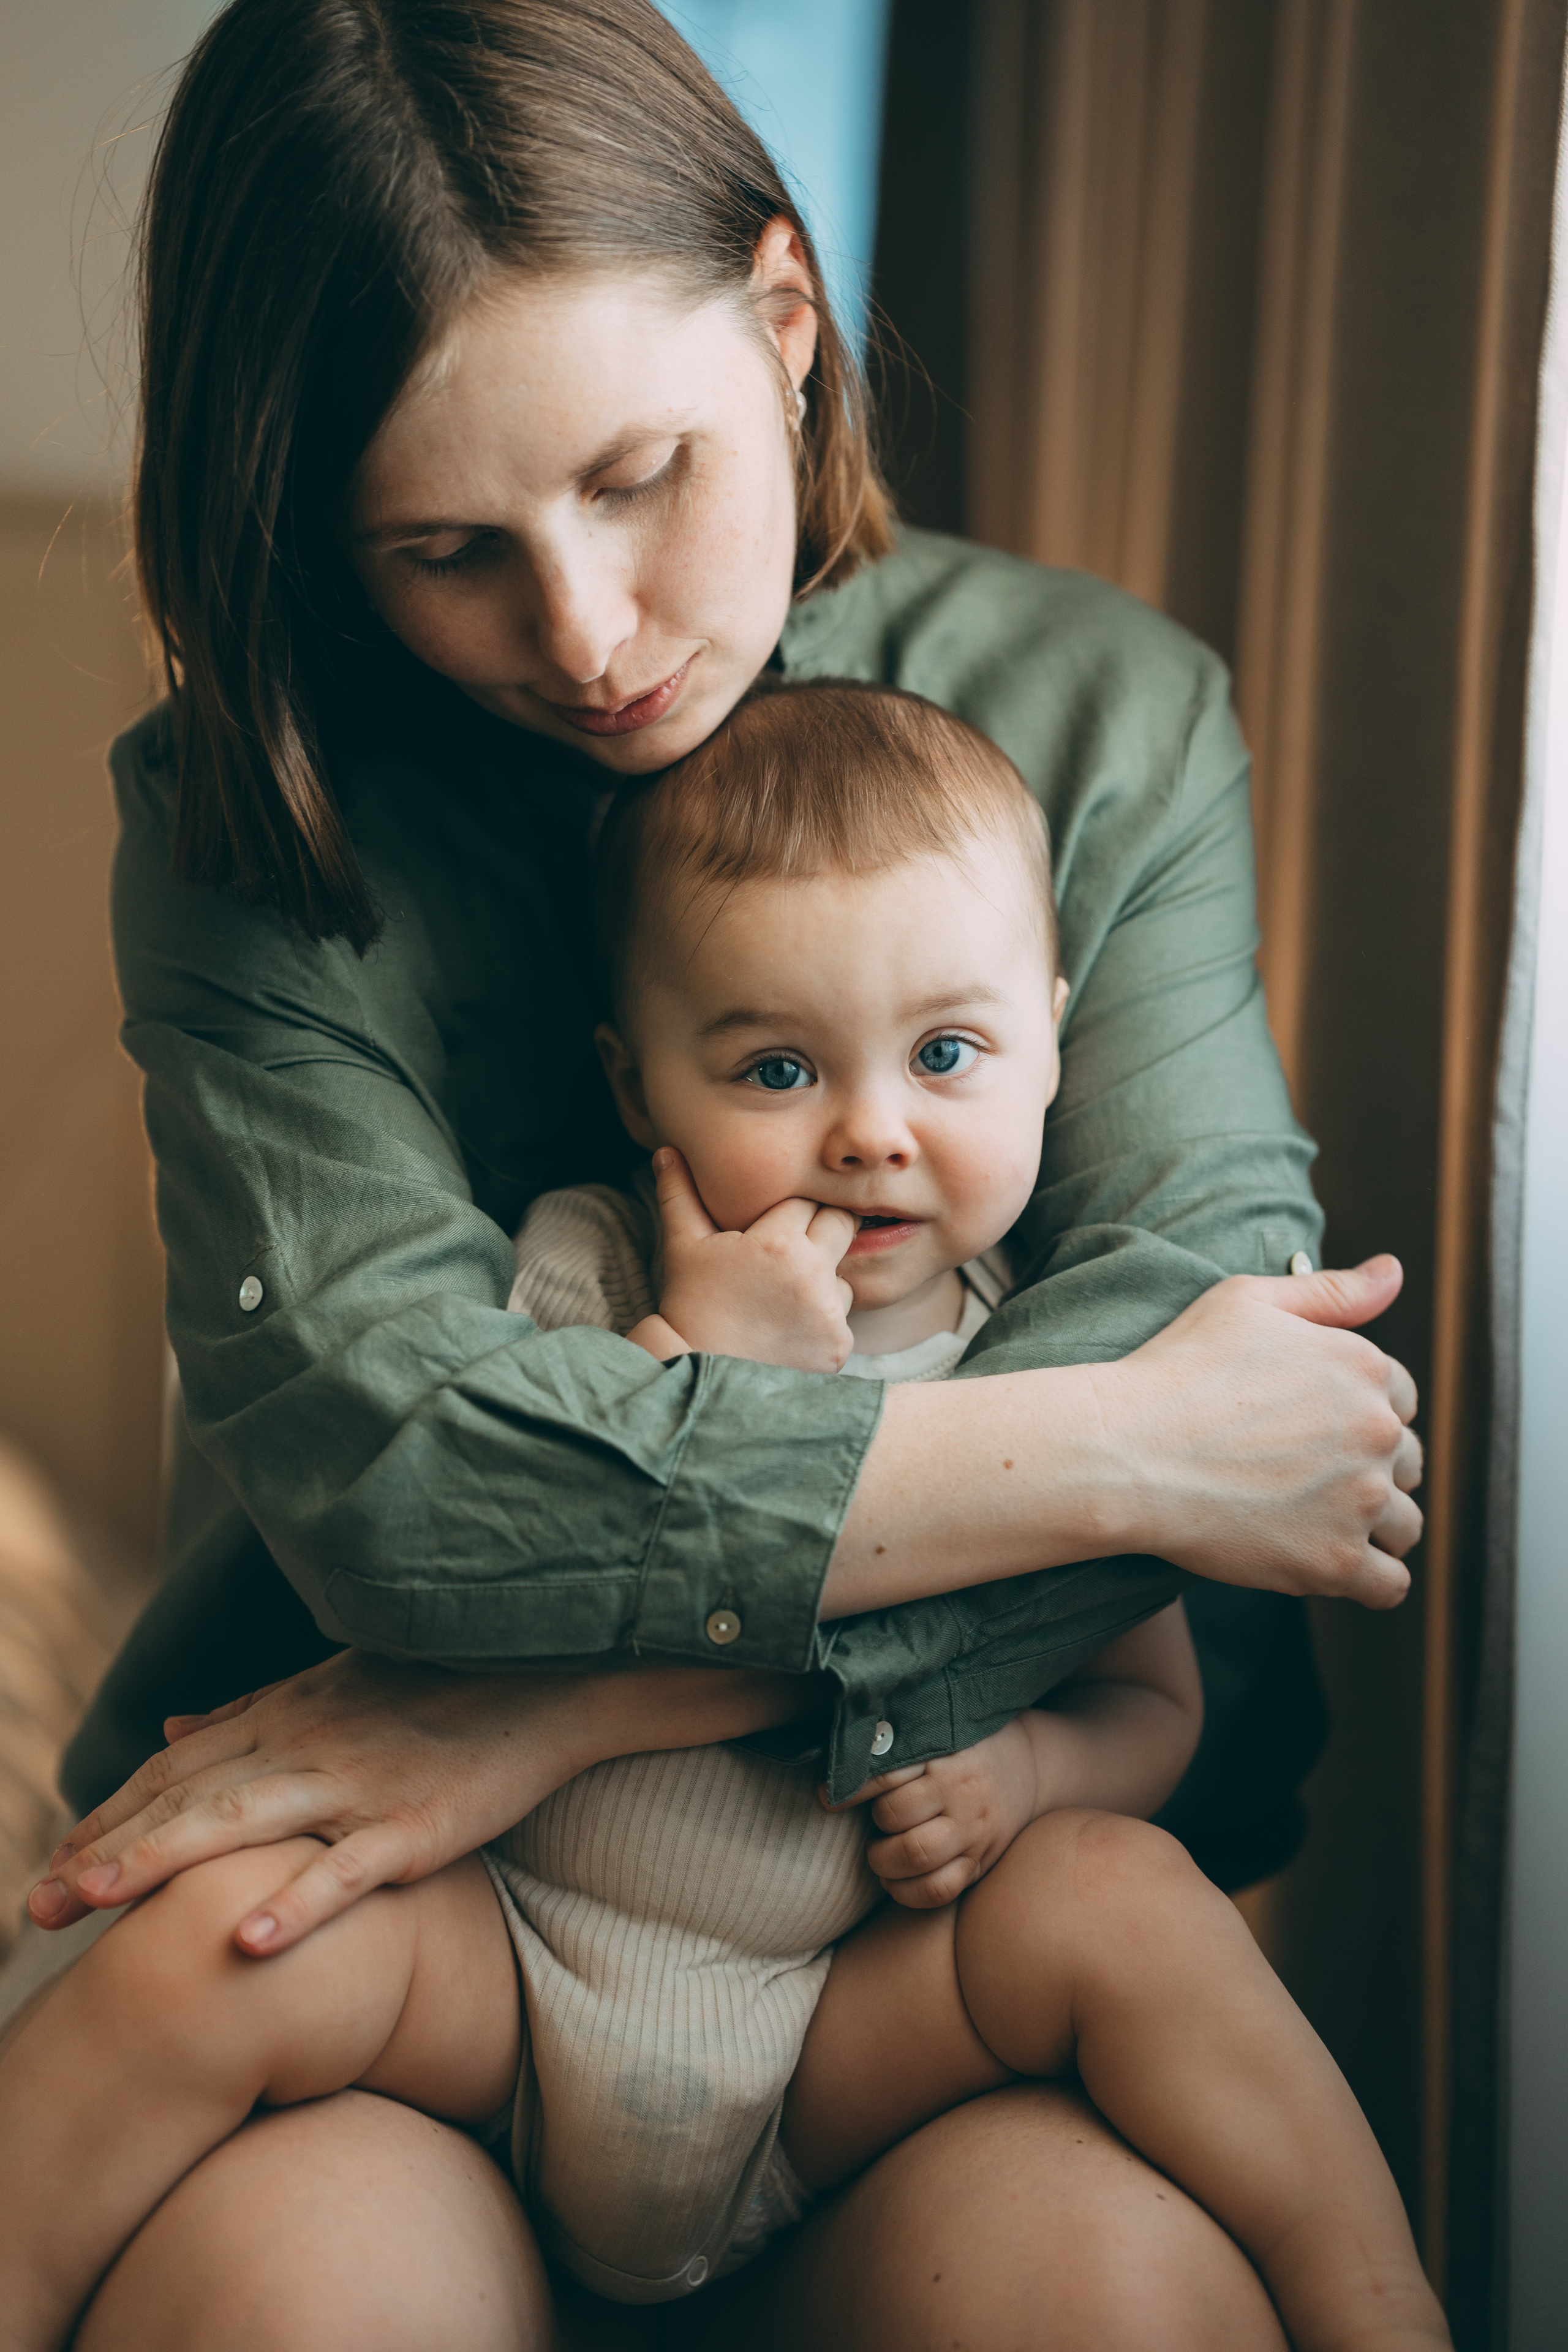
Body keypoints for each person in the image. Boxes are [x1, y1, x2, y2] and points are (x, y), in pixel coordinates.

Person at [11, 2, 1424, 2343]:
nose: (582, 636)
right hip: (401, 1953)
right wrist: (1132, 1454)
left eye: (639, 475)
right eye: (443, 549)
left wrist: (548, 1704)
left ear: (787, 323)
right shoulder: (258, 817)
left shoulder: (1102, 717)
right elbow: (406, 1473)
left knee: (1107, 2299)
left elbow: (1197, 1329)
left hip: (908, 1954)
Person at [0, 682, 1446, 2352]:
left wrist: (1029, 1773)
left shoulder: (1043, 1352)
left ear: (1055, 1034)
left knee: (1126, 1900)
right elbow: (493, 1550)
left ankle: (1379, 2298)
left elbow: (1153, 1704)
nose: (871, 1130)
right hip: (506, 1967)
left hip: (850, 2012)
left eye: (951, 1052)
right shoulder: (583, 1270)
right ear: (636, 1083)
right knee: (218, 1939)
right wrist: (691, 1363)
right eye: (775, 1066)